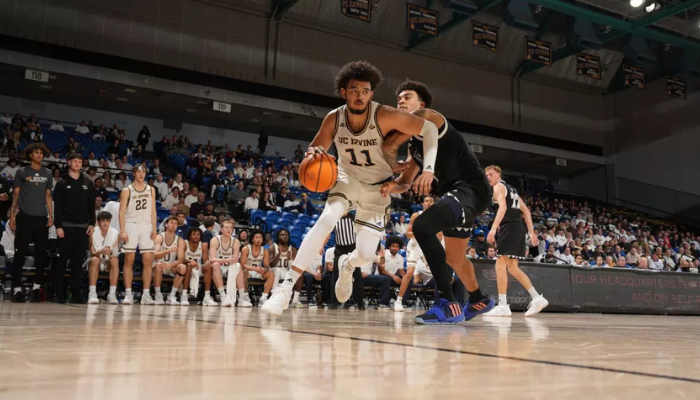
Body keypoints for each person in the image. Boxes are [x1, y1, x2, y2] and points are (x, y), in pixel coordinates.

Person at [262, 61, 438, 316]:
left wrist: (429, 169)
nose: (360, 95)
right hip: (348, 179)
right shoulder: (334, 118)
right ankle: (286, 287)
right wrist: (314, 154)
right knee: (327, 218)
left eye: (365, 91)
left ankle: (347, 266)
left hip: (378, 189)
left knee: (366, 255)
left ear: (372, 94)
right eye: (354, 90)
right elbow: (315, 150)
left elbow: (430, 128)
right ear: (343, 92)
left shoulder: (385, 114)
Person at [380, 80, 494, 324]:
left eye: (407, 97)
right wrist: (391, 186)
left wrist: (389, 143)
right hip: (459, 196)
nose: (400, 101)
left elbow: (396, 137)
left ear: (421, 103)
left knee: (422, 226)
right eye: (398, 98)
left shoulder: (432, 117)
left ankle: (448, 303)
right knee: (454, 258)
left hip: (470, 189)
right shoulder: (414, 144)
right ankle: (478, 299)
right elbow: (406, 181)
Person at [482, 165, 548, 317]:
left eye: (490, 174)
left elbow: (503, 207)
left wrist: (493, 228)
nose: (488, 177)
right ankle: (537, 298)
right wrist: (531, 232)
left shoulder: (498, 187)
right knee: (512, 267)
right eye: (486, 175)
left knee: (500, 264)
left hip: (510, 226)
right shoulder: (512, 189)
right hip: (518, 227)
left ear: (498, 174)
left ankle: (503, 305)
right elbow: (525, 210)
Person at [10, 143, 53, 303]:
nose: (39, 155)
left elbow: (48, 195)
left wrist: (51, 215)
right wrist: (13, 216)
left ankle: (36, 287)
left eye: (41, 153)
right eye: (36, 152)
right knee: (20, 254)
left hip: (41, 217)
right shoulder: (21, 172)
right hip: (25, 216)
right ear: (30, 155)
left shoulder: (47, 173)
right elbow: (15, 194)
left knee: (42, 254)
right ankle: (16, 289)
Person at [52, 152, 97, 304]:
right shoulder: (62, 182)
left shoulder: (88, 182)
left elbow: (91, 206)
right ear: (69, 162)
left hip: (83, 227)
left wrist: (92, 223)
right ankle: (58, 293)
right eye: (75, 161)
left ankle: (76, 292)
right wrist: (58, 226)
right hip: (66, 226)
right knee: (61, 261)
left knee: (78, 261)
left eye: (80, 161)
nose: (78, 164)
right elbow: (57, 207)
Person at [119, 165, 157, 305]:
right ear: (134, 174)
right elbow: (121, 211)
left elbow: (153, 210)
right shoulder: (127, 190)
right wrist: (123, 230)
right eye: (139, 172)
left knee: (148, 261)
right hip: (131, 225)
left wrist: (154, 228)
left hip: (146, 226)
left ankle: (146, 295)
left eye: (143, 172)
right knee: (129, 260)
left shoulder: (151, 189)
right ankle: (128, 294)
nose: (141, 174)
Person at [394, 195, 437, 312]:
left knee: (439, 273)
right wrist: (422, 233)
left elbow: (439, 236)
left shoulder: (437, 217)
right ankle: (399, 300)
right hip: (415, 246)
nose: (428, 203)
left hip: (428, 246)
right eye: (426, 201)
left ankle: (440, 303)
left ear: (433, 204)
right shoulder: (416, 215)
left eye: (430, 201)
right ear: (423, 204)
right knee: (410, 273)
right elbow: (408, 233)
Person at [206, 220, 249, 307]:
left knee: (237, 265)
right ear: (221, 229)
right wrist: (226, 260)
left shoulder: (235, 241)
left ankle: (241, 297)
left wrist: (230, 260)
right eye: (226, 227)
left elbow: (235, 258)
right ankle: (223, 296)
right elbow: (212, 259)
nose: (229, 229)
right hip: (218, 268)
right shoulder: (215, 240)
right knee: (215, 265)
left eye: (230, 227)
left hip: (229, 268)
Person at [86, 211, 120, 304]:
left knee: (115, 260)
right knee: (95, 260)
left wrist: (110, 252)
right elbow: (92, 251)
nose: (105, 223)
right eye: (103, 221)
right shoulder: (93, 232)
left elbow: (115, 252)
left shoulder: (115, 233)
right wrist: (100, 251)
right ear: (98, 222)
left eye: (107, 221)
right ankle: (92, 293)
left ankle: (112, 294)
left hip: (107, 261)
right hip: (95, 259)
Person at [153, 217, 188, 306]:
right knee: (158, 265)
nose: (173, 225)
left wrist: (170, 265)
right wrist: (167, 251)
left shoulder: (180, 240)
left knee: (182, 267)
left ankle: (172, 295)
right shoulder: (159, 237)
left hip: (171, 266)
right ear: (166, 224)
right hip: (158, 265)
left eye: (175, 224)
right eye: (171, 223)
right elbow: (155, 255)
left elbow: (180, 259)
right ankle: (158, 294)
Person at [241, 230, 274, 305]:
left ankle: (264, 297)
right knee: (244, 271)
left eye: (260, 238)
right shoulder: (246, 249)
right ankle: (245, 296)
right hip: (248, 271)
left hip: (258, 271)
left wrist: (263, 269)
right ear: (252, 239)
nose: (258, 239)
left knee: (271, 274)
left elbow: (266, 266)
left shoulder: (265, 250)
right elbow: (243, 265)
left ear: (262, 240)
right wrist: (254, 269)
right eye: (256, 237)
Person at [269, 229, 297, 293]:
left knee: (294, 274)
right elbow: (271, 265)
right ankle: (273, 292)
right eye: (282, 235)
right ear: (278, 237)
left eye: (286, 235)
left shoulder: (292, 249)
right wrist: (278, 254)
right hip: (274, 271)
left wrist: (290, 260)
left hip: (286, 271)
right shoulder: (273, 247)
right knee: (277, 271)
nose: (284, 236)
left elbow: (293, 267)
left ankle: (290, 296)